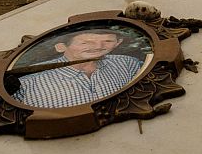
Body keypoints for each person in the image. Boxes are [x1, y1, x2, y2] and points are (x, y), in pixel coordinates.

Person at [12, 30, 144, 108]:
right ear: (61, 47)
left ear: (118, 43)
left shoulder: (127, 64)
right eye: (86, 42)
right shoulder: (27, 82)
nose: (98, 47)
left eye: (108, 41)